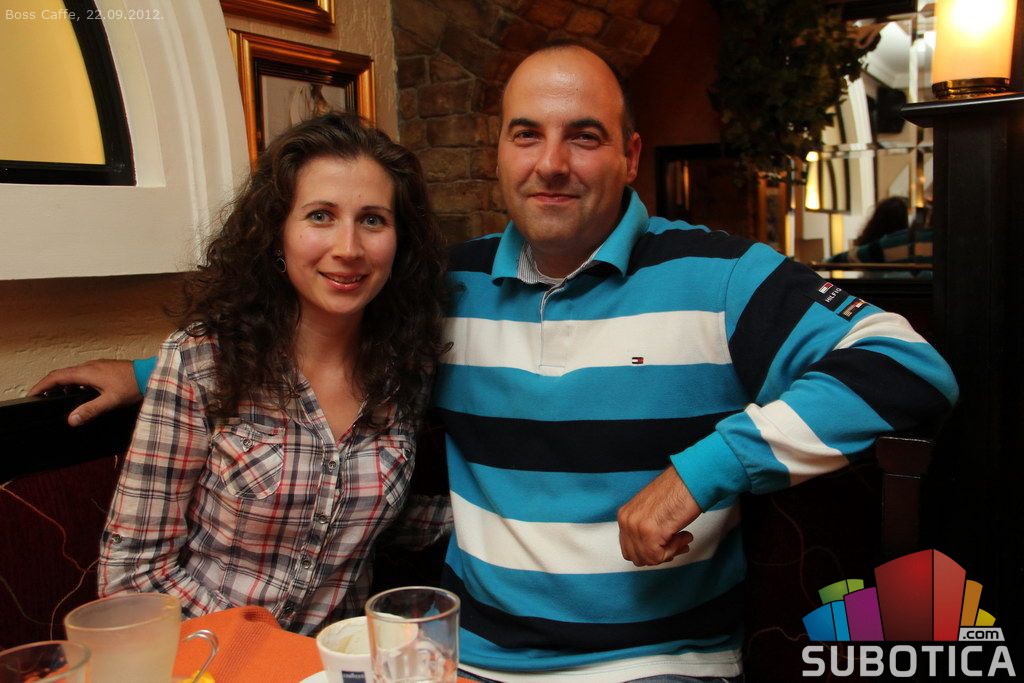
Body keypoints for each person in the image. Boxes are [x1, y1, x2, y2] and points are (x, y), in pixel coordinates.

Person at [34, 45, 958, 680]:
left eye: (583, 135)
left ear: (630, 154)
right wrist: (150, 373)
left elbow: (908, 365)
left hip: (656, 662)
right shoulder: (444, 290)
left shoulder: (722, 277)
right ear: (499, 152)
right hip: (468, 657)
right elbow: (312, 331)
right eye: (527, 133)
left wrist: (704, 469)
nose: (552, 162)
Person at [89, 113, 450, 635]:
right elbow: (131, 576)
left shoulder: (405, 371)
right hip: (212, 657)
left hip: (339, 660)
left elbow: (376, 523)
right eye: (320, 216)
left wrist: (516, 520)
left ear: (400, 241)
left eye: (373, 220)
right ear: (276, 232)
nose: (348, 248)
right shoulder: (202, 361)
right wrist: (265, 657)